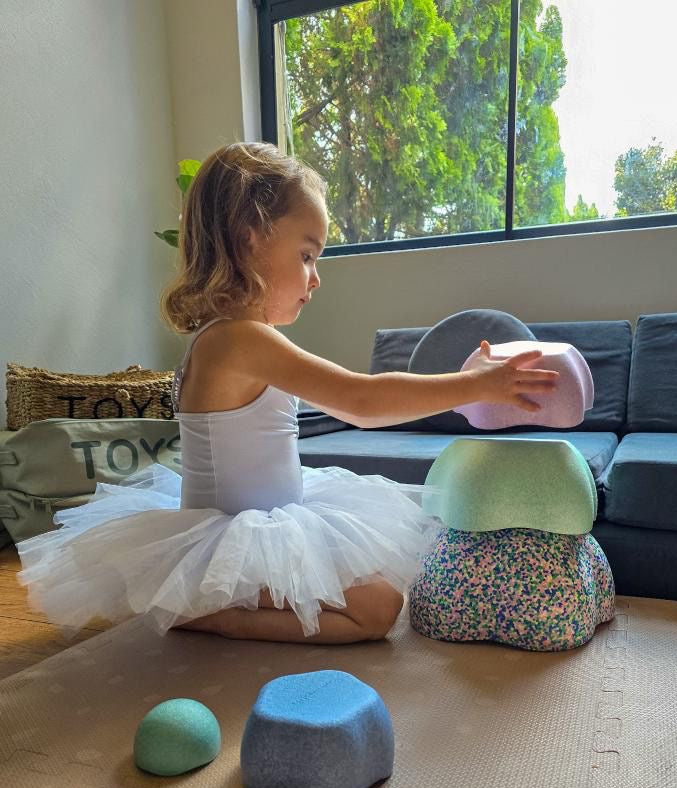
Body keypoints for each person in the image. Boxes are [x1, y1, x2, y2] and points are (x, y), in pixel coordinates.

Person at [17, 142, 559, 645]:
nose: (315, 277)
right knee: (377, 609)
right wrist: (474, 385)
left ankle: (195, 599)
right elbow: (362, 401)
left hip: (274, 517)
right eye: (306, 255)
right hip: (235, 537)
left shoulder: (232, 337)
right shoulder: (238, 340)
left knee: (383, 595)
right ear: (249, 237)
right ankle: (198, 607)